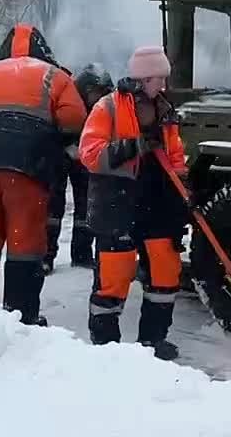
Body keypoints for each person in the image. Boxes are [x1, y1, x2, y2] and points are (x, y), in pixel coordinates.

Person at [0, 23, 88, 325]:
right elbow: (74, 121)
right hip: (27, 166)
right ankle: (20, 316)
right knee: (24, 241)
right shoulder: (55, 76)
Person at [79, 46, 189, 360]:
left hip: (158, 202)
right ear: (142, 78)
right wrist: (133, 146)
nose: (164, 86)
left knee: (165, 274)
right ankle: (107, 349)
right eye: (159, 79)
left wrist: (184, 190)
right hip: (117, 203)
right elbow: (91, 155)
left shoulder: (166, 109)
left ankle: (153, 341)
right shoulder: (108, 107)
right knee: (113, 278)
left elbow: (176, 157)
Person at [44, 63, 115, 273]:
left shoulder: (98, 109)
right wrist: (65, 147)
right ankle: (46, 255)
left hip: (81, 158)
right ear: (86, 89)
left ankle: (82, 255)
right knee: (52, 207)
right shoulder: (66, 101)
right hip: (59, 156)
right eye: (98, 93)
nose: (101, 98)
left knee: (86, 206)